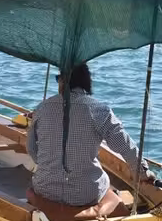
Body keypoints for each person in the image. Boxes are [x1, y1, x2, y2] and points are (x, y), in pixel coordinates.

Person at [26, 63, 155, 208]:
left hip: (45, 191)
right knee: (104, 181)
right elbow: (125, 146)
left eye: (58, 79)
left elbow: (31, 149)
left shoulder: (42, 108)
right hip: (85, 195)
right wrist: (142, 172)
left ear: (63, 81)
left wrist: (50, 165)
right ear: (86, 82)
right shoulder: (99, 110)